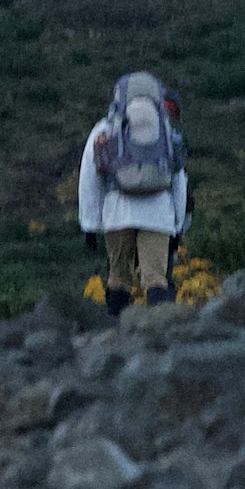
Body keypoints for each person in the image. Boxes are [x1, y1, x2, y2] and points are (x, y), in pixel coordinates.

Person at [75, 70, 189, 310]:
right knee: (156, 279)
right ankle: (163, 334)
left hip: (118, 213)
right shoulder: (167, 131)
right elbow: (179, 182)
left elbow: (89, 177)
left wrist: (90, 224)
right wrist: (178, 226)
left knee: (118, 278)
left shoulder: (105, 129)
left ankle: (118, 333)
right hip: (158, 214)